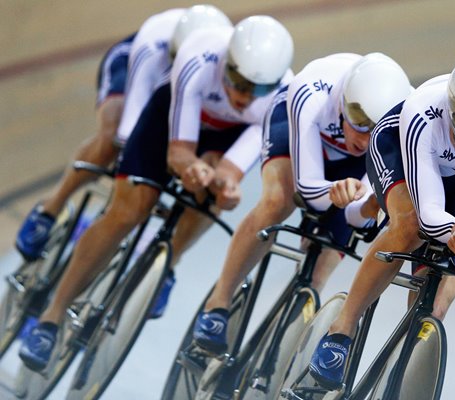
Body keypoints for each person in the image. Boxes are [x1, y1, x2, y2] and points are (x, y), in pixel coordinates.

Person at [18, 13, 293, 372]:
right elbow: (177, 150)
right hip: (171, 118)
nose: (243, 96)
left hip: (224, 136)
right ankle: (51, 318)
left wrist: (224, 185)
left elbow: (231, 171)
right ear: (226, 62)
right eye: (238, 82)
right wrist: (187, 166)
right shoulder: (199, 57)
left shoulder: (281, 95)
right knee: (127, 211)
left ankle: (167, 265)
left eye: (257, 89)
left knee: (211, 196)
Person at [308, 54, 455, 390]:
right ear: (452, 112)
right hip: (402, 150)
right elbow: (430, 216)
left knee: (439, 300)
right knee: (408, 226)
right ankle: (341, 331)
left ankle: (398, 375)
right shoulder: (423, 113)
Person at [193, 52, 414, 355]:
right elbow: (308, 189)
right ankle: (217, 304)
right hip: (298, 131)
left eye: (374, 131)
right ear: (343, 102)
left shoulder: (402, 126)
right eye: (359, 124)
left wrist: (362, 203)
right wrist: (333, 192)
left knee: (321, 266)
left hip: (352, 165)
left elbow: (360, 217)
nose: (364, 140)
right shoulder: (312, 92)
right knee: (278, 201)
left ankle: (292, 324)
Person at [14, 33, 135, 261]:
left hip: (183, 93)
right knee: (112, 137)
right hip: (134, 63)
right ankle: (51, 208)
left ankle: (167, 266)